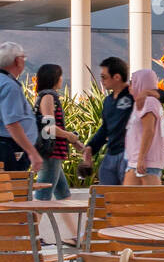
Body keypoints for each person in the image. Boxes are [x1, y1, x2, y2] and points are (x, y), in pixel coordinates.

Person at [33, 64, 85, 201]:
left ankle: (75, 224)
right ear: (54, 78)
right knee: (42, 197)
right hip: (52, 153)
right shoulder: (48, 96)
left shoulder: (46, 96)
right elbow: (50, 128)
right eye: (60, 76)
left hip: (54, 153)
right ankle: (29, 223)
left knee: (63, 195)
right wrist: (70, 136)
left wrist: (75, 141)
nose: (62, 79)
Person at [83, 56, 134, 185]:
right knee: (105, 197)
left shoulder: (134, 95)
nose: (102, 81)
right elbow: (105, 128)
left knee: (126, 198)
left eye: (104, 77)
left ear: (117, 77)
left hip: (128, 155)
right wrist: (91, 147)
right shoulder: (108, 101)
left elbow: (161, 96)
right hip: (111, 154)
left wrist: (151, 93)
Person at [0, 42, 41, 173]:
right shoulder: (9, 86)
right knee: (13, 189)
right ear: (17, 60)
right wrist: (32, 152)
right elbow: (12, 123)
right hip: (9, 148)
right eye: (24, 57)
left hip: (6, 146)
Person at [123, 68, 164, 186]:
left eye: (133, 82)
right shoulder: (141, 102)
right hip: (135, 161)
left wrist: (141, 158)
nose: (130, 85)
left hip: (146, 163)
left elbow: (149, 130)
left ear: (141, 83)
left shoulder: (149, 102)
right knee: (127, 201)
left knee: (151, 202)